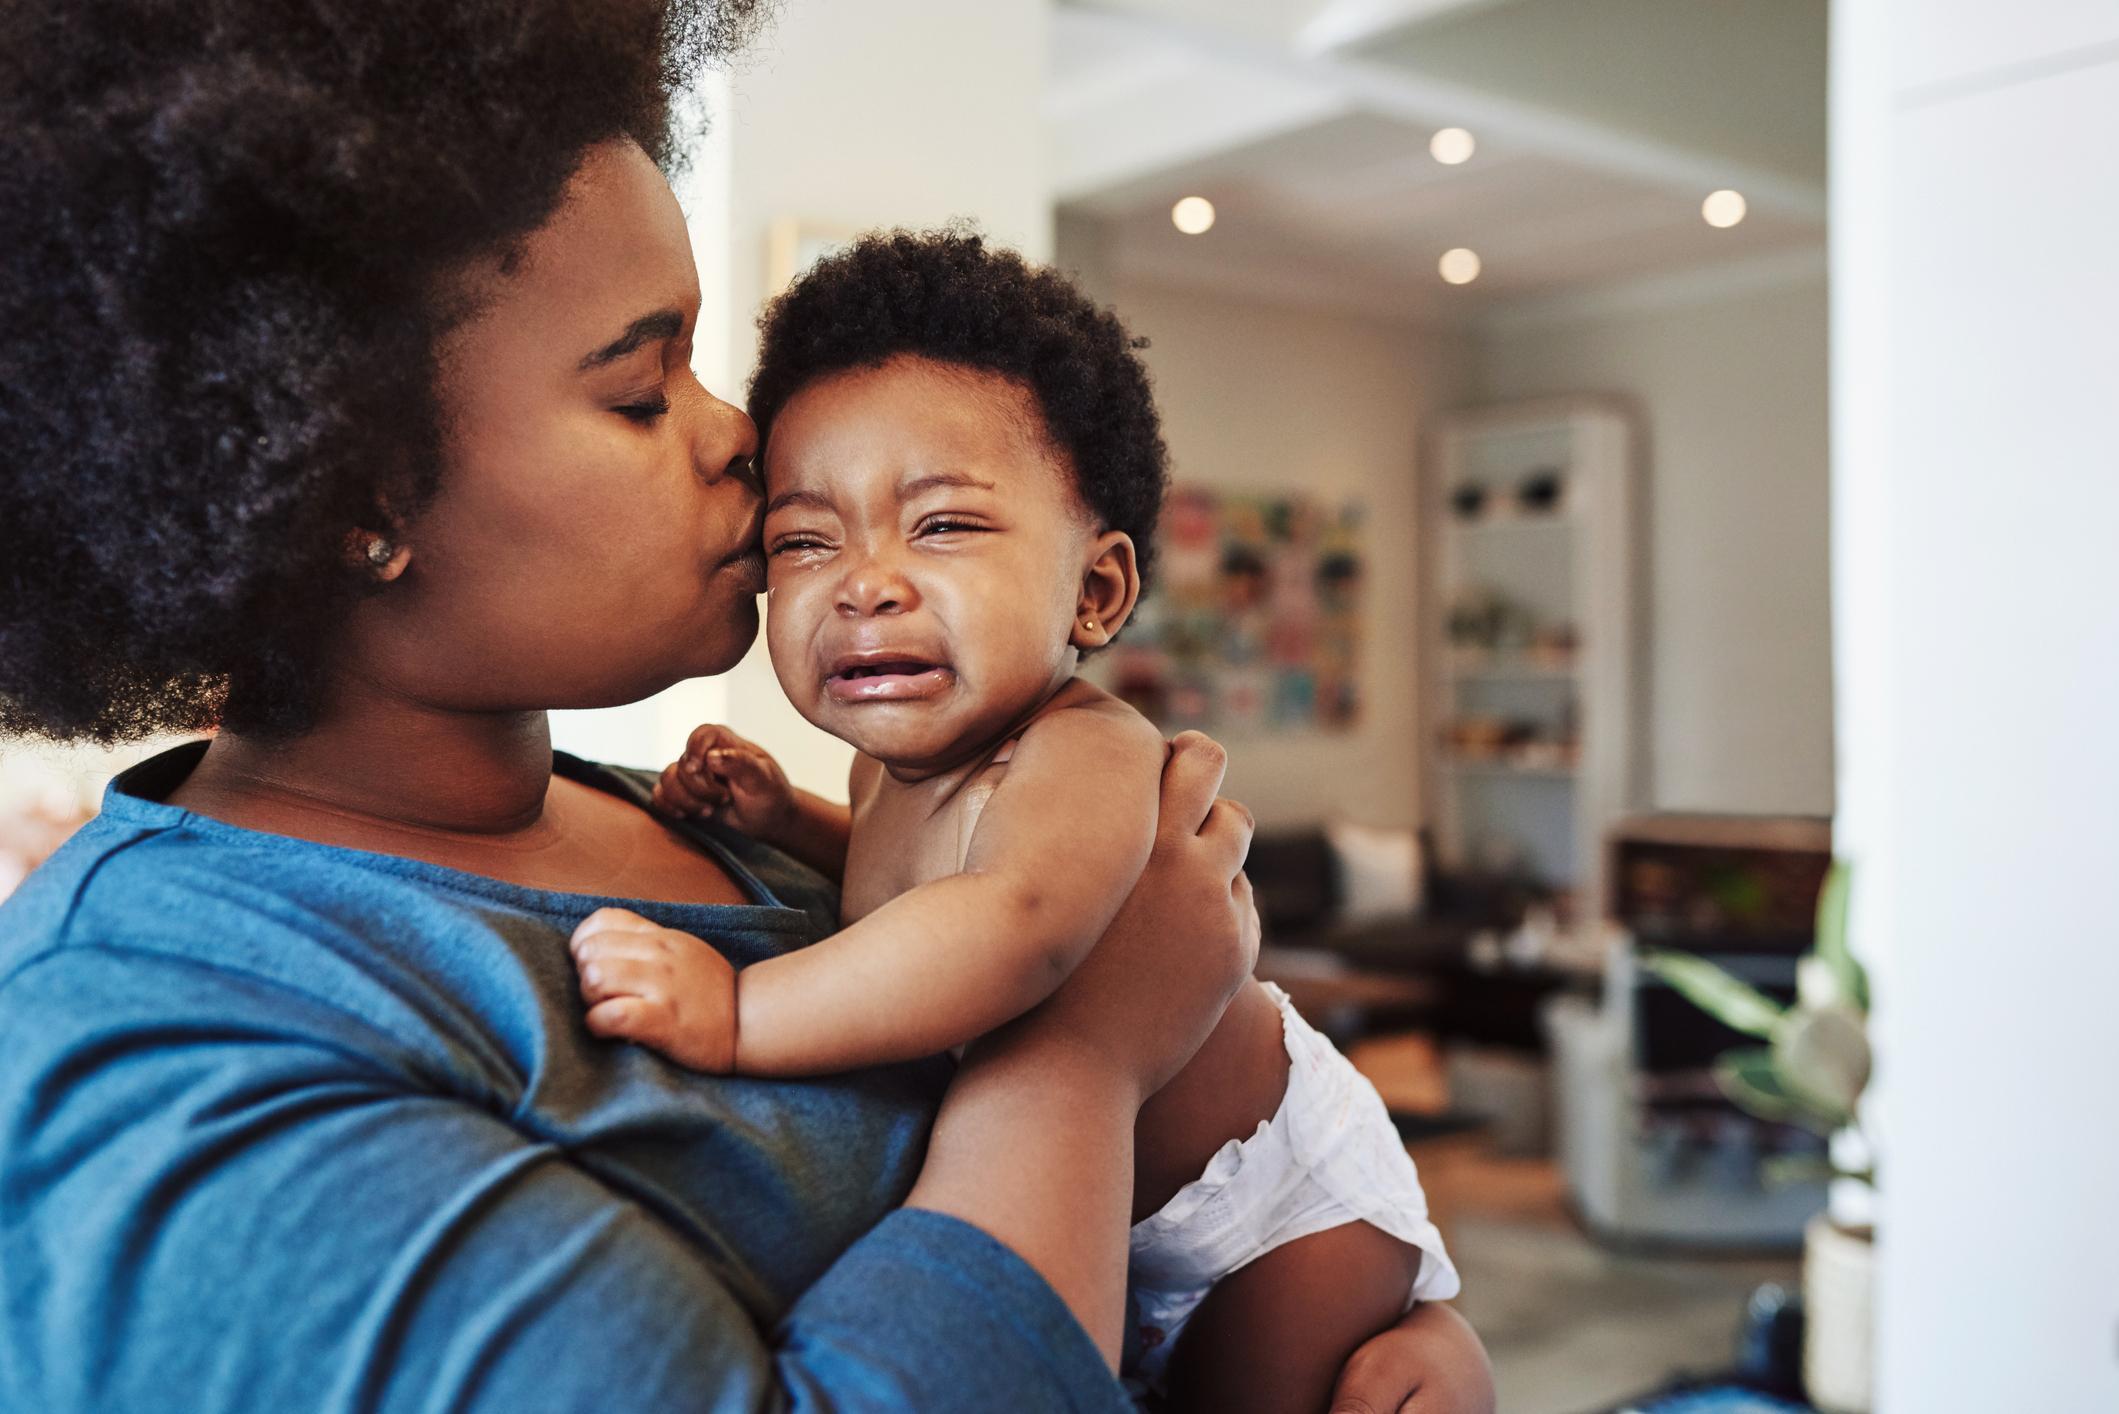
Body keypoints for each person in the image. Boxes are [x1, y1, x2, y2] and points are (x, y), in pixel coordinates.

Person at [0, 2, 1496, 1410]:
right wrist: (1085, 1056)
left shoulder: (682, 817)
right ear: (352, 495)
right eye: (643, 390)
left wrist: (1379, 1320)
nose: (740, 438)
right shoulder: (163, 1047)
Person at [574, 229, 1459, 1410]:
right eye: (803, 538)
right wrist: (787, 817)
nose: (864, 579)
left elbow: (1011, 927)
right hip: (1106, 1210)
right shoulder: (889, 770)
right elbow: (915, 893)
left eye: (940, 525)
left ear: (1094, 591)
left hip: (1272, 1204)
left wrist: (738, 1010)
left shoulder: (1083, 751)